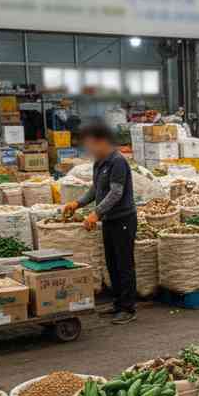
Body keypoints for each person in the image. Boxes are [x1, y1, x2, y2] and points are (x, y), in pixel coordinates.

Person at [62, 120, 137, 324]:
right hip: (110, 220)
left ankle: (128, 308)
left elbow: (116, 193)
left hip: (123, 219)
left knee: (124, 264)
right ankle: (118, 302)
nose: (90, 150)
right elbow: (96, 189)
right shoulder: (100, 162)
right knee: (111, 262)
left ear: (103, 142)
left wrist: (96, 213)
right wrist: (77, 203)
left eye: (91, 145)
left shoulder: (117, 162)